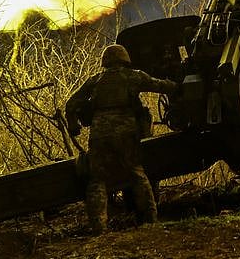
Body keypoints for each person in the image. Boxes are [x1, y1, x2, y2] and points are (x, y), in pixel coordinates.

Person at [65, 43, 176, 233]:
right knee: (136, 173)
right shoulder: (133, 76)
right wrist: (179, 87)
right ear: (125, 59)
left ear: (105, 61)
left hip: (99, 133)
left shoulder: (95, 80)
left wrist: (73, 126)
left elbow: (71, 104)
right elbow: (160, 85)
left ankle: (99, 228)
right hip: (126, 131)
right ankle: (151, 220)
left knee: (97, 179)